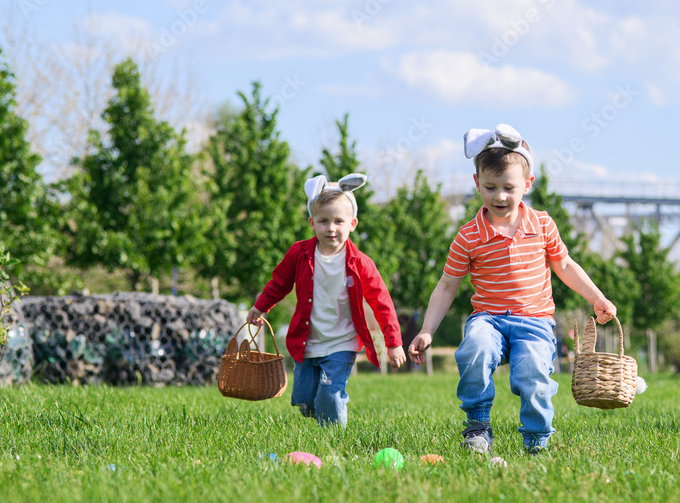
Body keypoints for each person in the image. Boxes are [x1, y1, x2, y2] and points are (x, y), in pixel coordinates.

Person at [408, 124, 617, 454]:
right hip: (488, 319)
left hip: (534, 321)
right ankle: (478, 425)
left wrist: (596, 297)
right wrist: (427, 329)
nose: (500, 196)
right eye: (490, 187)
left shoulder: (543, 224)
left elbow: (564, 265)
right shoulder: (469, 236)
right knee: (474, 348)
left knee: (533, 372)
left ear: (527, 184)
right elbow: (447, 286)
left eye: (509, 187)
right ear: (477, 183)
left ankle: (536, 441)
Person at [245, 173, 406, 427]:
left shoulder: (360, 263)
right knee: (304, 399)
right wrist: (260, 306)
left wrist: (393, 342)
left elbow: (381, 302)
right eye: (323, 221)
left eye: (338, 221)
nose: (331, 228)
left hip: (341, 342)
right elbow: (279, 282)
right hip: (306, 340)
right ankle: (317, 412)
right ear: (312, 222)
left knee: (330, 395)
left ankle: (334, 437)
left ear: (352, 224)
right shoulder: (300, 253)